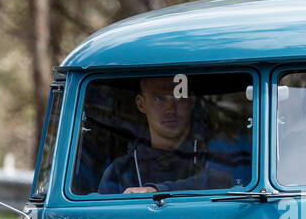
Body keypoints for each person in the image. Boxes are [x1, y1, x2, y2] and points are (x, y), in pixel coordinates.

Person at [98, 76, 236, 194]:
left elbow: (220, 182)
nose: (170, 110)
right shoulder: (118, 173)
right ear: (141, 104)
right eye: (159, 99)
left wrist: (157, 190)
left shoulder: (214, 153)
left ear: (191, 101)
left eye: (179, 97)